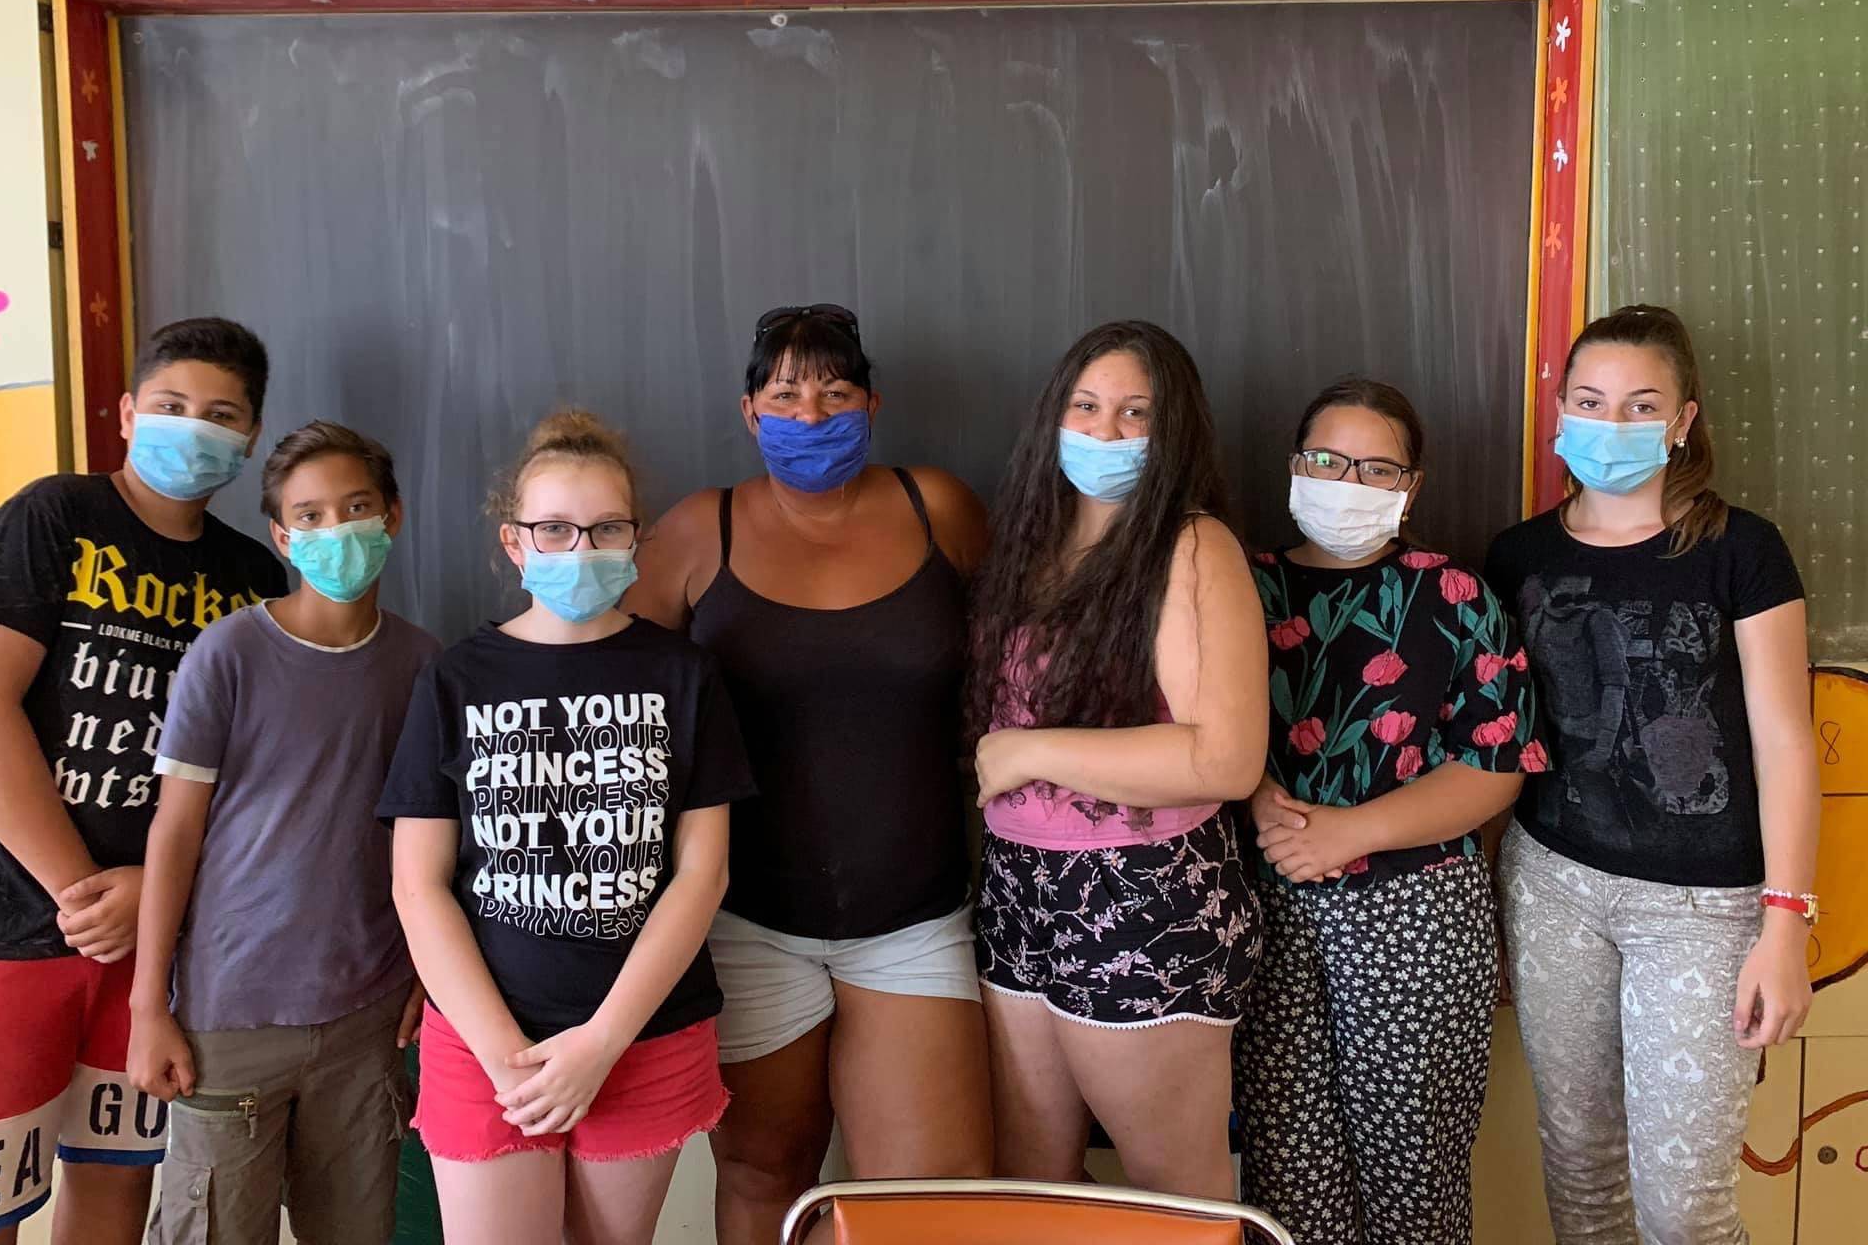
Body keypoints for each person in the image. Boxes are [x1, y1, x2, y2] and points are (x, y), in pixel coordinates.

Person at [0, 318, 287, 1243]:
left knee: (117, 1191)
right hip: (3, 929)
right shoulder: (54, 516)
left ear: (249, 437)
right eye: (170, 405)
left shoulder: (255, 576)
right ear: (125, 413)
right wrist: (81, 894)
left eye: (220, 415)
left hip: (158, 952)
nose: (193, 428)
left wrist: (154, 892)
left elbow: (260, 777)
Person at [625, 304, 994, 1244]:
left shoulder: (940, 509)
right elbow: (612, 691)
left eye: (835, 392)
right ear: (750, 412)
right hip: (749, 922)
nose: (812, 414)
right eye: (786, 395)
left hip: (916, 919)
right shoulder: (698, 530)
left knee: (927, 1204)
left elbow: (1029, 660)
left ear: (873, 403)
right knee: (763, 1173)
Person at [381, 410, 754, 1245]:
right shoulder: (456, 679)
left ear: (637, 539)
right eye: (554, 528)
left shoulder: (684, 675)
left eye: (606, 529)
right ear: (514, 543)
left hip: (644, 1035)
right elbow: (418, 883)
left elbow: (703, 873)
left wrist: (602, 1043)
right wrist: (503, 1055)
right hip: (484, 1041)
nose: (581, 550)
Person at [1488, 304, 1819, 1244]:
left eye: (1642, 405)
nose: (1613, 423)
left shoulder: (1742, 550)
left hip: (1703, 911)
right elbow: (1502, 740)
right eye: (1591, 401)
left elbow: (1786, 743)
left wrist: (1786, 925)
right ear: (1560, 408)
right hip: (1552, 887)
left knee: (1685, 1209)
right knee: (1581, 1177)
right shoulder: (1517, 556)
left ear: (1683, 421)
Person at [1234, 377, 1538, 1245]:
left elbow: (1497, 763)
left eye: (1377, 469)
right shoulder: (1238, 585)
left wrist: (1349, 832)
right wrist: (1260, 803)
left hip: (1416, 914)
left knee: (1415, 1182)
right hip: (1264, 908)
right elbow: (1194, 720)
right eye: (1328, 461)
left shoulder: (1455, 595)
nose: (1349, 483)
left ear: (1412, 487)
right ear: (1295, 466)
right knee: (1286, 1187)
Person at [967, 319, 1266, 1197]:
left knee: (1174, 1193)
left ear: (1174, 430)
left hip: (1143, 892)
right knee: (1034, 1180)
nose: (1105, 430)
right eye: (1086, 406)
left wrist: (1028, 750)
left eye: (1136, 413)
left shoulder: (1192, 547)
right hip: (1019, 888)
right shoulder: (1033, 546)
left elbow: (1225, 760)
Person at [127, 421, 441, 1245]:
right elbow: (175, 832)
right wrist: (147, 1005)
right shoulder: (228, 654)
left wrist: (428, 970)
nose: (336, 529)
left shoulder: (422, 665)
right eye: (310, 516)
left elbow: (433, 840)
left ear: (393, 516)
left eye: (357, 507)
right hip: (226, 1019)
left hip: (367, 1018)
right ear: (282, 536)